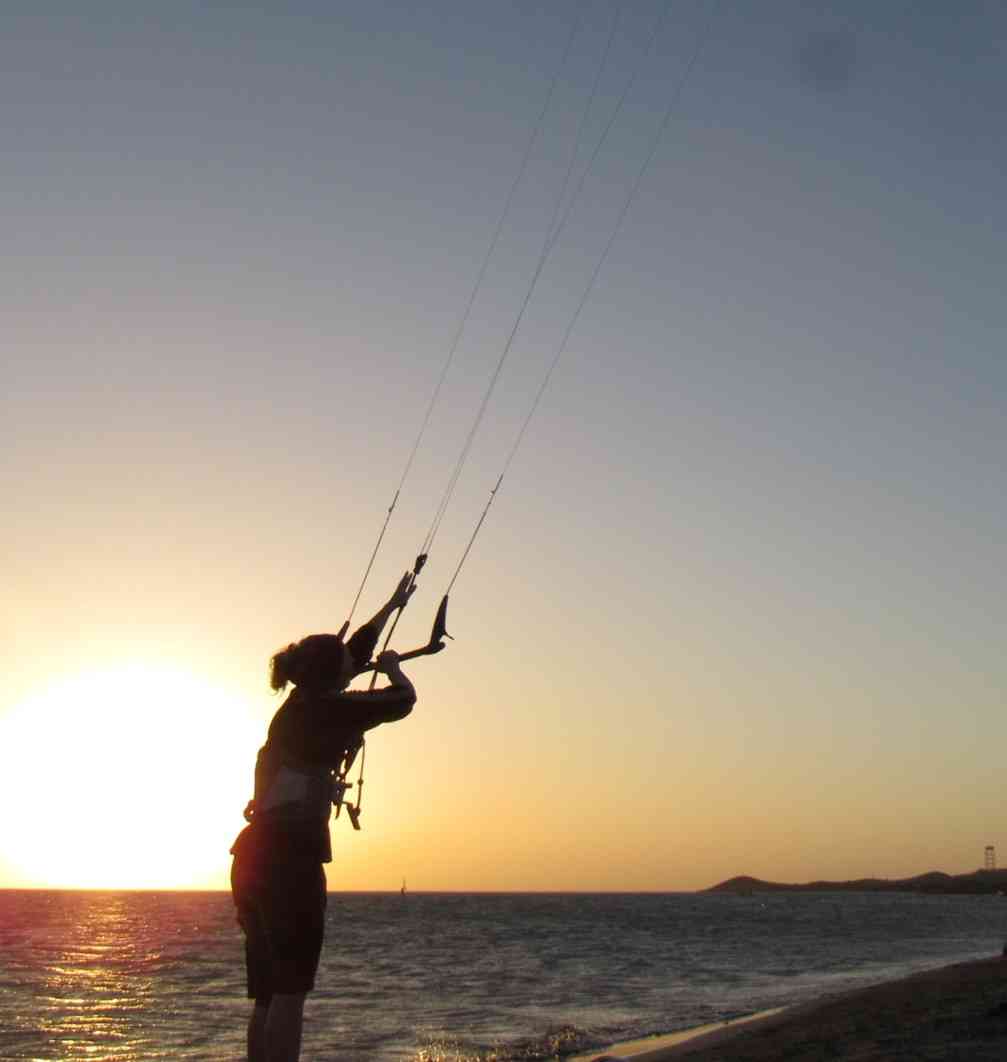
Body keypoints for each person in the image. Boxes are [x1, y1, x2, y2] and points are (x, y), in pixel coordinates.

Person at [230, 574, 417, 1062]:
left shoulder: (299, 704)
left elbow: (351, 653)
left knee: (268, 992)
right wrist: (394, 669)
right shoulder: (330, 712)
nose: (354, 667)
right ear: (330, 675)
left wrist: (392, 605)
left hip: (251, 861)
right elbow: (402, 701)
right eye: (345, 667)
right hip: (289, 865)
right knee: (291, 992)